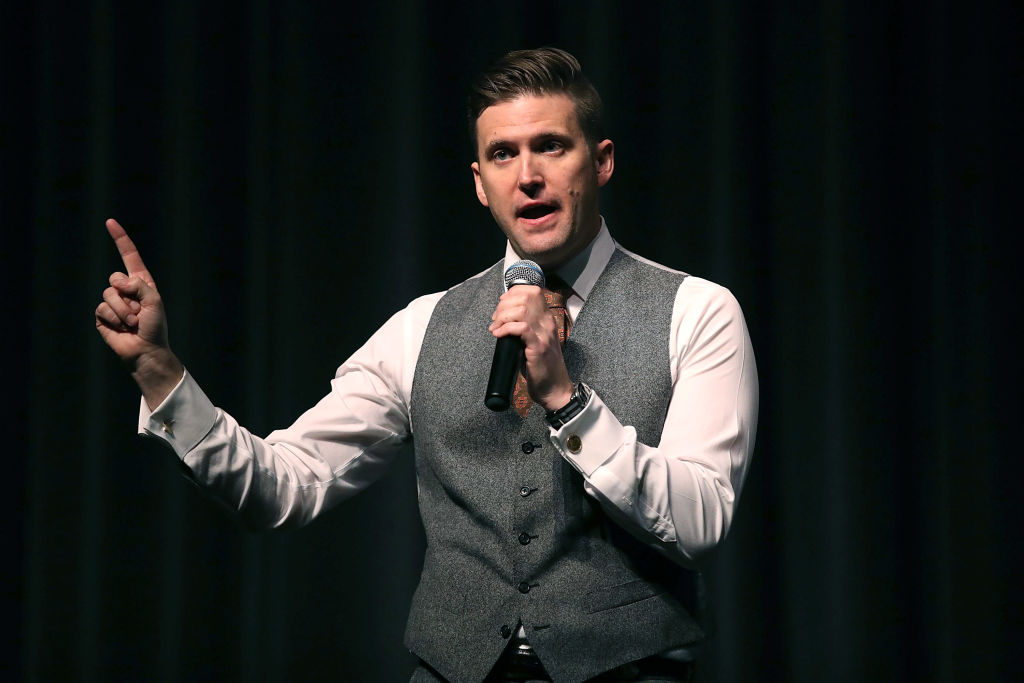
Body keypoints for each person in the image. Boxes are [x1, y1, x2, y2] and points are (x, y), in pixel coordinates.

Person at [95, 47, 758, 683]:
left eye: (551, 146)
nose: (528, 174)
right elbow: (282, 486)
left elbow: (700, 522)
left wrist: (568, 400)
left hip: (630, 671)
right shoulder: (421, 327)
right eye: (503, 154)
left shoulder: (695, 310)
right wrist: (159, 371)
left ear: (601, 161)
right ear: (479, 182)